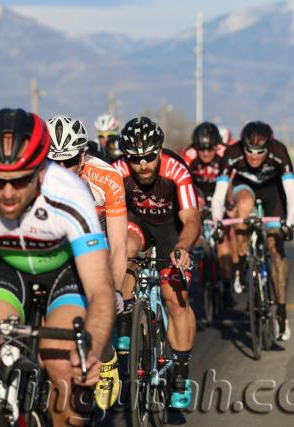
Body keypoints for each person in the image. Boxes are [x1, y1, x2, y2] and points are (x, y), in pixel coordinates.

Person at [0, 108, 115, 425]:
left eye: (21, 180)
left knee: (63, 366)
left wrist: (92, 350)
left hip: (62, 272)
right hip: (3, 268)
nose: (8, 193)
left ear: (41, 172)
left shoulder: (70, 193)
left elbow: (100, 289)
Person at [113, 117, 201, 409]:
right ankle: (126, 323)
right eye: (135, 159)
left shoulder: (177, 169)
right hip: (136, 225)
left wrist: (182, 248)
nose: (143, 165)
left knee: (175, 301)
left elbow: (191, 219)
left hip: (170, 231)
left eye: (150, 156)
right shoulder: (117, 171)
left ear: (160, 151)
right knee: (124, 249)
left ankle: (181, 374)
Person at [46, 114, 127, 410]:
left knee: (100, 297)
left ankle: (105, 357)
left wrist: (114, 291)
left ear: (82, 155)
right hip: (57, 242)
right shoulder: (38, 176)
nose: (61, 170)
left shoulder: (107, 177)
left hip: (98, 240)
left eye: (68, 162)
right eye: (54, 162)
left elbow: (118, 245)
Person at [211, 121, 294, 341]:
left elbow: (291, 193)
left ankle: (281, 312)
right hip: (245, 188)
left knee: (276, 250)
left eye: (260, 153)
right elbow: (219, 195)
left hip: (274, 193)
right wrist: (217, 223)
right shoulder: (232, 153)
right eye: (249, 151)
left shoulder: (279, 151)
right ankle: (242, 262)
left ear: (269, 148)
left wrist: (290, 223)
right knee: (244, 206)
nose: (253, 157)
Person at [182, 121, 234, 307]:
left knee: (223, 241)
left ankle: (227, 286)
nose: (205, 153)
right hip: (199, 192)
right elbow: (182, 180)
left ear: (217, 146)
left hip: (221, 191)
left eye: (209, 149)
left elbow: (232, 179)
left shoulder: (224, 153)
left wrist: (230, 202)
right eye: (201, 149)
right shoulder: (190, 155)